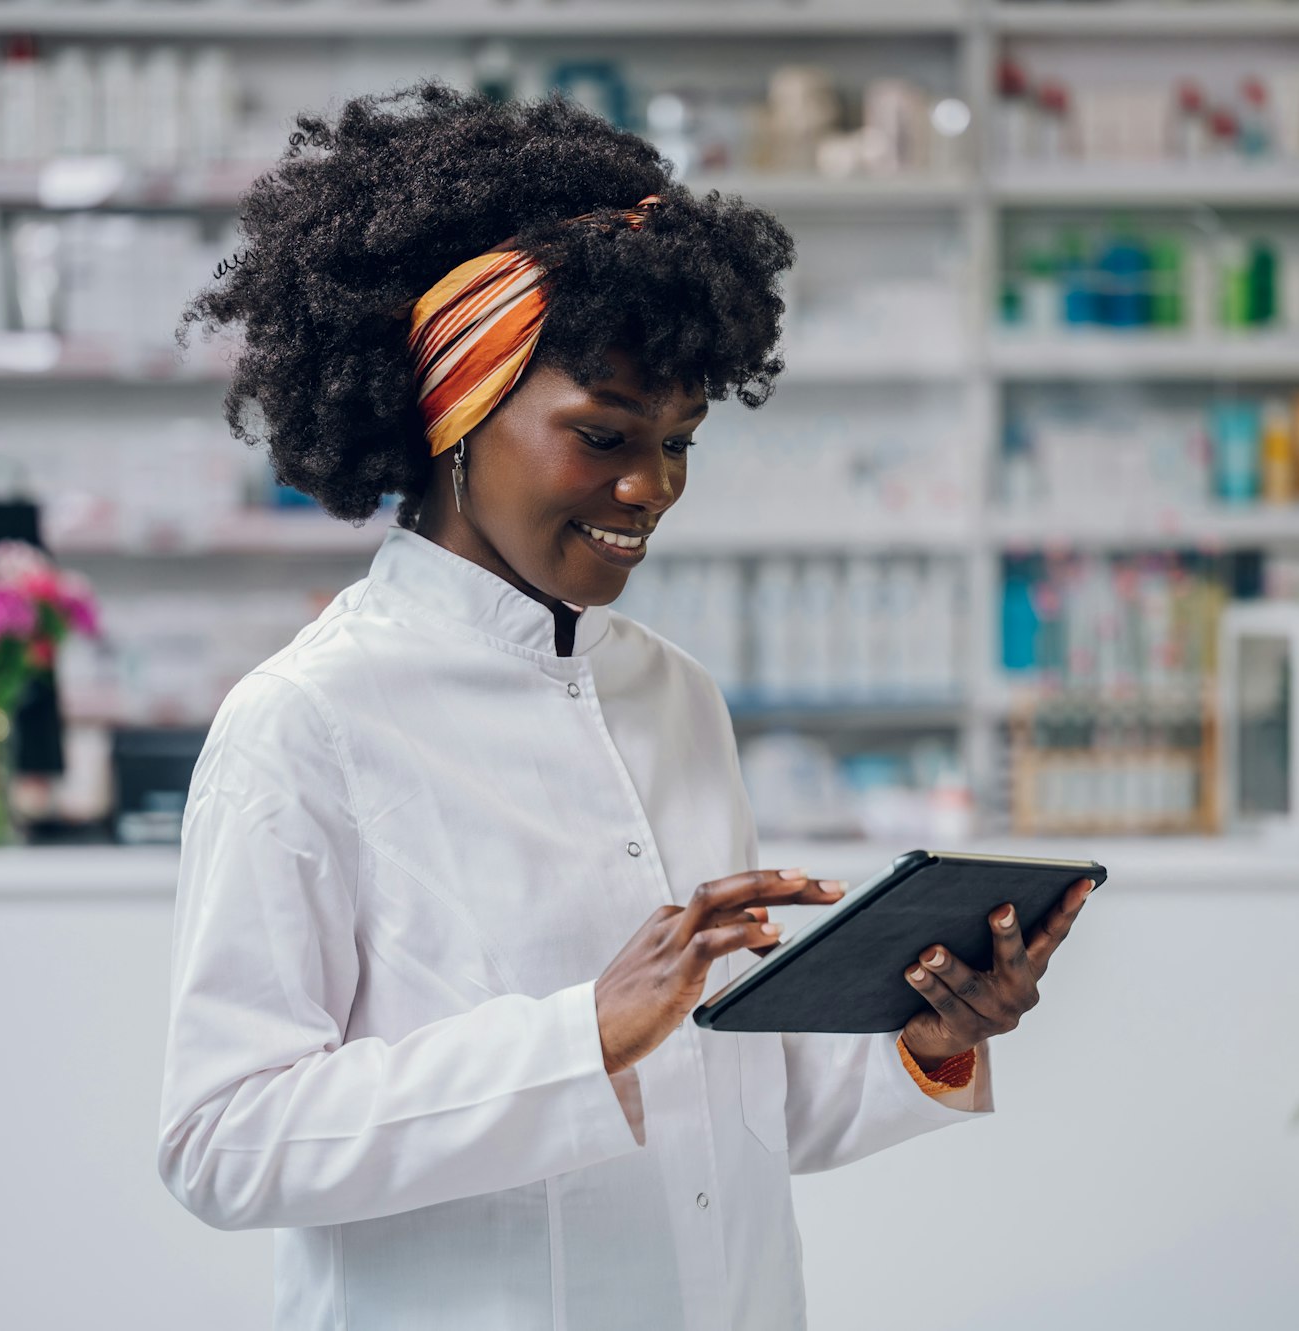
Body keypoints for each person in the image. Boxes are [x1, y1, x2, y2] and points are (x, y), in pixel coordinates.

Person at [155, 84, 1097, 1330]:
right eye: (601, 434)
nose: (649, 485)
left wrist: (921, 1029)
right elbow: (224, 1139)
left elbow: (731, 1102)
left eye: (681, 440)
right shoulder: (307, 720)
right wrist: (580, 1036)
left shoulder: (671, 694)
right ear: (454, 416)